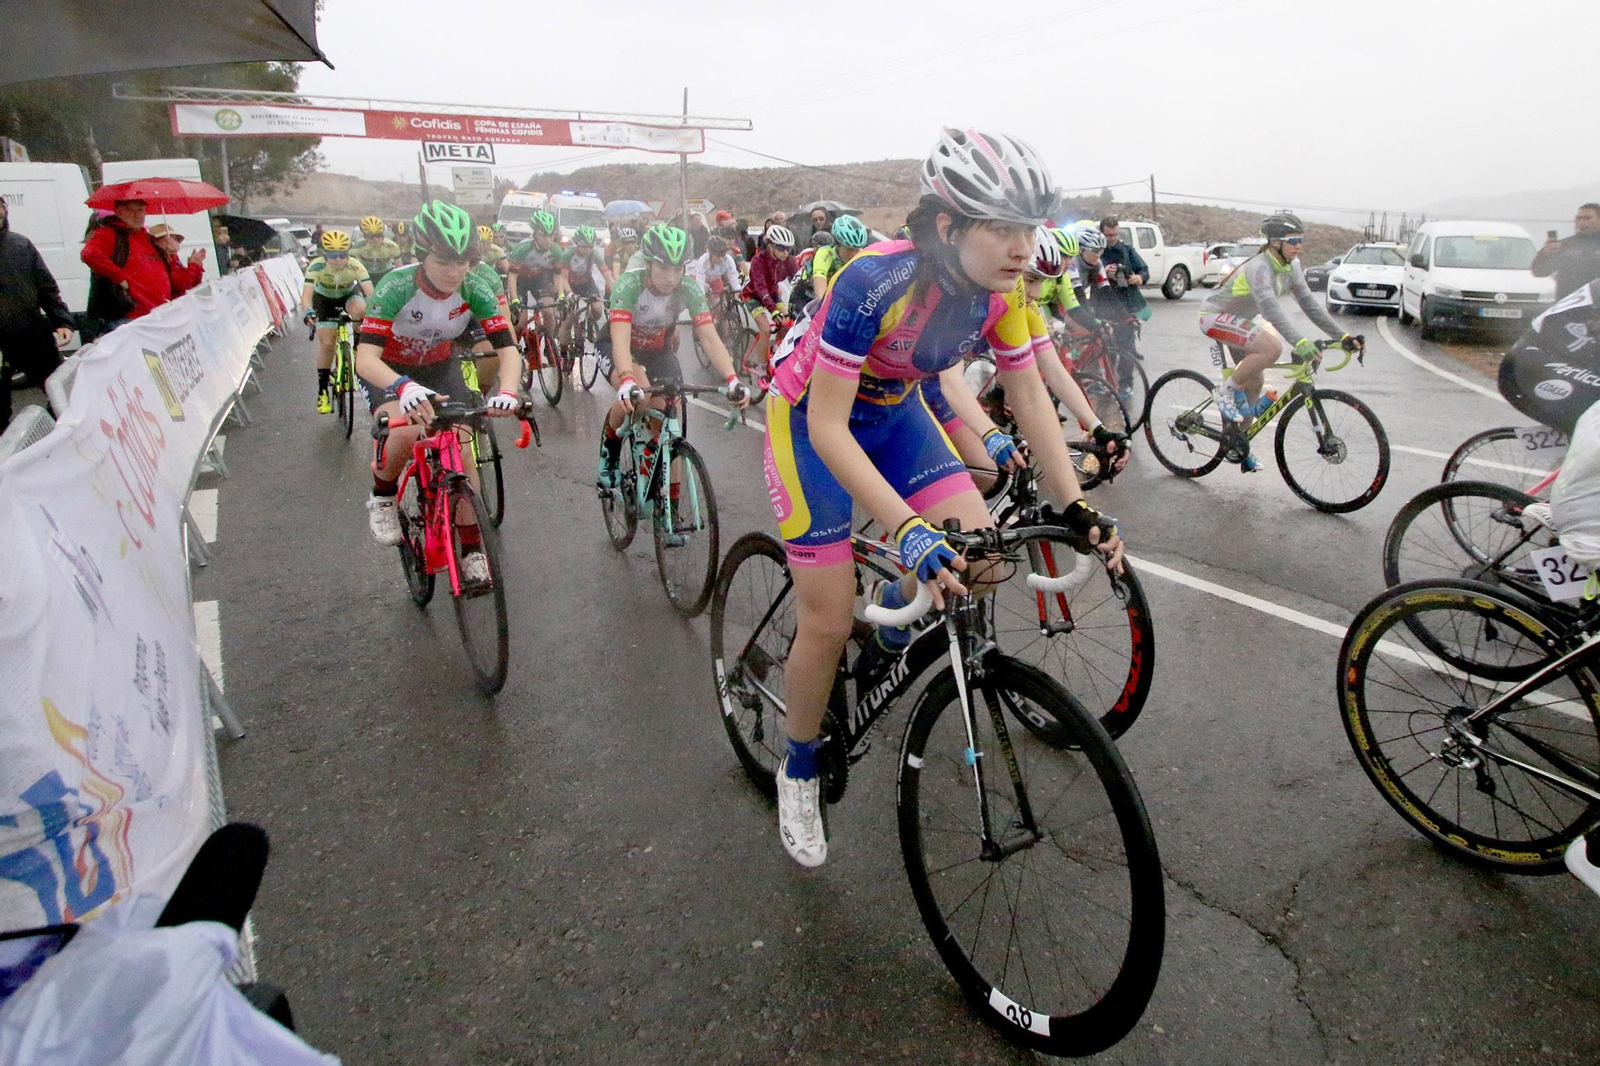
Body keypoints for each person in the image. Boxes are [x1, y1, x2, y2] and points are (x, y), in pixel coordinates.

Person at [761, 127, 1123, 866]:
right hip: (809, 423)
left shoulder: (1004, 292)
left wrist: (1074, 505)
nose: (1022, 248)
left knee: (980, 560)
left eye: (1030, 228)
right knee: (827, 617)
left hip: (896, 413)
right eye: (1003, 228)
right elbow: (828, 426)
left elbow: (1028, 393)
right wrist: (907, 529)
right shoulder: (874, 279)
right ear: (950, 225)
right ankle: (797, 766)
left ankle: (889, 636)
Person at [356, 201, 523, 582]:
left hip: (438, 367)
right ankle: (382, 496)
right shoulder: (396, 286)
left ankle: (472, 549)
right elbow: (365, 358)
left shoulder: (475, 288)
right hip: (389, 369)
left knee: (461, 450)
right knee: (404, 431)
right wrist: (401, 385)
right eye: (444, 261)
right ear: (421, 255)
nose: (454, 271)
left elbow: (508, 349)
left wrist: (509, 391)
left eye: (463, 261)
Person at [1198, 212, 1357, 471]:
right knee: (1272, 348)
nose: (1298, 246)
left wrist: (1343, 336)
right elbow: (1271, 310)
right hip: (1213, 317)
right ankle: (1224, 392)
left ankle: (1239, 444)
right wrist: (1299, 341)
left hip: (1239, 322)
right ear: (1274, 242)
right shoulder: (1259, 267)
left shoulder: (1292, 266)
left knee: (1255, 382)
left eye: (1300, 240)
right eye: (1293, 240)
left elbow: (1310, 305)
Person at [595, 224, 749, 489]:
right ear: (648, 264)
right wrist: (627, 379)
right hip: (619, 346)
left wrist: (732, 379)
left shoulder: (688, 288)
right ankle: (609, 454)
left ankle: (671, 502)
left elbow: (709, 337)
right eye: (663, 268)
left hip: (657, 350)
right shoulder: (629, 284)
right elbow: (620, 339)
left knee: (670, 416)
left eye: (678, 269)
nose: (671, 277)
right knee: (639, 396)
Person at [0, 194, 74, 430]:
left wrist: (61, 321)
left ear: (5, 209)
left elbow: (46, 288)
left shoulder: (21, 245)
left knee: (62, 393)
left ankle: (60, 438)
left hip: (30, 333)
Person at [300, 229, 374, 414]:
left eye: (343, 255)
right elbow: (306, 297)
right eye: (333, 255)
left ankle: (356, 348)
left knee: (361, 310)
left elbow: (371, 294)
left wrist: (376, 312)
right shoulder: (316, 267)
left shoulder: (355, 266)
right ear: (325, 254)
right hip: (324, 301)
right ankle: (322, 391)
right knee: (327, 344)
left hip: (348, 296)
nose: (338, 260)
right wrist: (308, 312)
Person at [80, 198, 172, 330]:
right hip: (128, 318)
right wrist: (119, 277)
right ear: (118, 212)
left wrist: (175, 257)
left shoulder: (145, 236)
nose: (137, 215)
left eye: (140, 210)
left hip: (154, 315)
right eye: (130, 210)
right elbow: (89, 254)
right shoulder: (110, 233)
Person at [737, 224, 798, 390]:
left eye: (789, 249)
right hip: (753, 295)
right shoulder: (759, 260)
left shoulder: (789, 261)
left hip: (772, 294)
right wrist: (773, 311)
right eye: (781, 248)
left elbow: (798, 281)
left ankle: (777, 350)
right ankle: (762, 371)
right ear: (770, 245)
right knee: (765, 329)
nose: (785, 252)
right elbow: (761, 289)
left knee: (788, 322)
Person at [556, 225, 613, 353]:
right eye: (584, 247)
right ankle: (563, 350)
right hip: (569, 284)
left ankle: (589, 320)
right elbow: (562, 278)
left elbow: (607, 275)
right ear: (577, 244)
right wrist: (569, 294)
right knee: (572, 317)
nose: (588, 250)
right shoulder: (568, 254)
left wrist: (615, 291)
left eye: (590, 247)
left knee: (598, 309)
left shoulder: (594, 254)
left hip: (586, 283)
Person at [506, 210, 563, 334]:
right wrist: (514, 299)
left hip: (539, 280)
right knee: (520, 323)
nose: (548, 240)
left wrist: (561, 295)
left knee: (549, 312)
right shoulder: (522, 249)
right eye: (544, 236)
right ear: (535, 234)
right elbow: (512, 277)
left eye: (551, 236)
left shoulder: (556, 250)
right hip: (519, 281)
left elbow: (557, 276)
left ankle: (550, 342)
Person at [1532, 203, 1600, 300]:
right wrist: (1546, 254)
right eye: (1579, 218)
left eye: (1587, 218)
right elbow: (1539, 272)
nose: (1582, 222)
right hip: (1568, 303)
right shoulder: (1565, 245)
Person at [802, 214, 869, 303]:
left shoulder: (862, 254)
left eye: (857, 249)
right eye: (849, 249)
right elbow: (820, 294)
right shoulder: (826, 253)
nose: (854, 254)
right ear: (838, 245)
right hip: (806, 294)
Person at [149, 224, 206, 298]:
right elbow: (181, 283)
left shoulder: (173, 258)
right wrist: (193, 265)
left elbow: (193, 284)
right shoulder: (160, 260)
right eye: (168, 239)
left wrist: (196, 266)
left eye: (175, 239)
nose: (173, 242)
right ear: (156, 243)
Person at [351, 216, 403, 284]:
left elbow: (400, 269)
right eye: (371, 237)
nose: (375, 239)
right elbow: (350, 267)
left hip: (385, 275)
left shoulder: (392, 246)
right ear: (365, 237)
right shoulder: (358, 246)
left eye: (378, 236)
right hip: (365, 275)